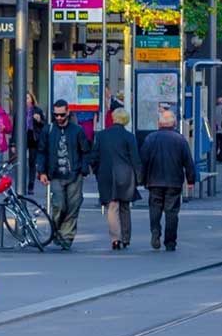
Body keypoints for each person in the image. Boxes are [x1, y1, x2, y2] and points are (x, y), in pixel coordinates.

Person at [34, 101, 92, 250]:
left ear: (68, 113)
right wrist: (41, 172)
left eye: (62, 114)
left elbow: (85, 150)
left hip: (74, 173)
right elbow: (41, 151)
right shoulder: (48, 130)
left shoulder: (77, 130)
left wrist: (84, 169)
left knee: (73, 206)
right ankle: (57, 231)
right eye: (56, 114)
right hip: (55, 174)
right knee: (59, 205)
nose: (59, 117)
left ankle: (66, 236)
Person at [139, 106, 197, 250]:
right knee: (171, 212)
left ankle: (155, 231)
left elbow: (143, 161)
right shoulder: (180, 140)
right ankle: (170, 242)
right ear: (174, 123)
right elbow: (188, 161)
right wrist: (191, 180)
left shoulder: (150, 139)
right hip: (174, 181)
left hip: (154, 180)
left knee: (155, 208)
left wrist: (141, 179)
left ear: (159, 123)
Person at [91, 106, 141, 251]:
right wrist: (139, 176)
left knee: (112, 207)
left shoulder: (101, 135)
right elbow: (135, 158)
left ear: (113, 118)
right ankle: (126, 238)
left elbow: (94, 156)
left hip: (106, 174)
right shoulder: (129, 136)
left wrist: (97, 171)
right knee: (125, 206)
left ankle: (115, 239)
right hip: (125, 174)